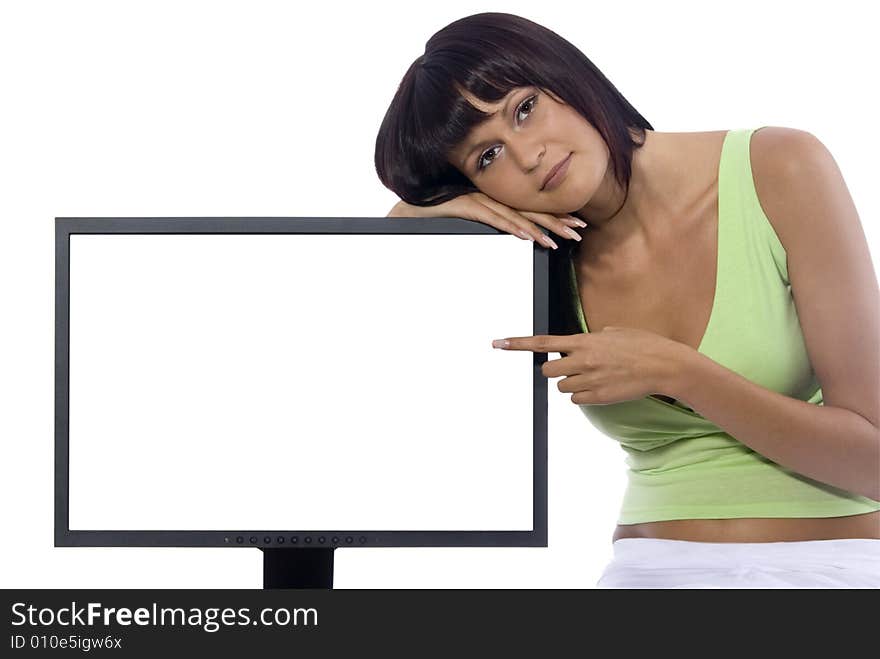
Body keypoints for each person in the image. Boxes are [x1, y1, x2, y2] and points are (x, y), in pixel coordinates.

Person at [373, 12, 880, 588]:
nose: (528, 156)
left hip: (835, 563)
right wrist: (418, 217)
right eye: (486, 158)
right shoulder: (538, 255)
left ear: (562, 75)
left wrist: (679, 371)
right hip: (652, 571)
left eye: (524, 108)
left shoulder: (780, 167)